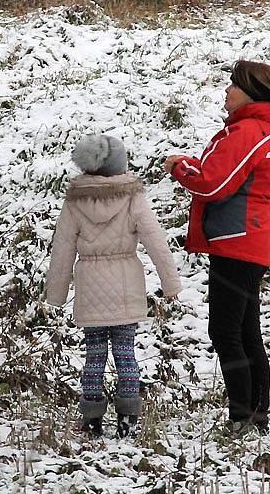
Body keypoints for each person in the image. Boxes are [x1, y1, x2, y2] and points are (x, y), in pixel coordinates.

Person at [165, 60, 270, 437]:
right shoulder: (256, 131)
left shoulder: (247, 131)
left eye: (231, 85)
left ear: (249, 93)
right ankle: (256, 416)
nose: (225, 91)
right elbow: (227, 176)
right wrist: (192, 165)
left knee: (226, 332)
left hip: (235, 243)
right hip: (246, 241)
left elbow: (212, 184)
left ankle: (242, 417)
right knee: (245, 332)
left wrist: (180, 169)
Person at [46, 134, 182, 438]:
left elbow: (62, 249)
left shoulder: (75, 201)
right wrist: (170, 282)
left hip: (90, 287)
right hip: (125, 283)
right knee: (125, 353)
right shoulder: (133, 198)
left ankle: (92, 419)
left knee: (94, 354)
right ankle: (128, 420)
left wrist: (55, 295)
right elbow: (156, 241)